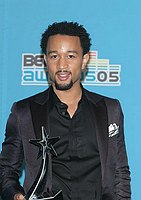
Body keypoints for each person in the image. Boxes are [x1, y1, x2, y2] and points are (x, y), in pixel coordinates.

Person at [0, 21, 131, 200]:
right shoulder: (24, 112)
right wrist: (16, 195)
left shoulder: (110, 109)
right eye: (54, 56)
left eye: (70, 56)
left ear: (84, 60)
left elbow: (120, 173)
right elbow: (6, 170)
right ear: (45, 60)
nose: (61, 66)